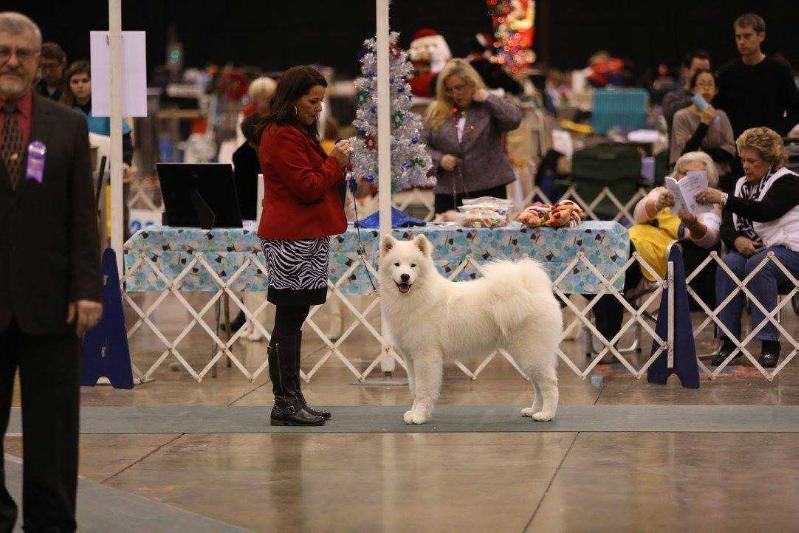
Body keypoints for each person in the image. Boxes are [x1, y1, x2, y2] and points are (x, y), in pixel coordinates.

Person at [0, 12, 102, 531]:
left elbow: (84, 215)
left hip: (54, 304)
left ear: (40, 62)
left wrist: (88, 286)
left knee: (54, 435)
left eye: (22, 52)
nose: (12, 61)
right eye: (3, 51)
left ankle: (52, 524)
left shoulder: (67, 126)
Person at [257, 66, 351, 426]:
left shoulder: (295, 131)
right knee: (289, 317)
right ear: (292, 98)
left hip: (304, 234)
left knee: (292, 318)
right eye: (313, 101)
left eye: (321, 101)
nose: (318, 108)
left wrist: (334, 163)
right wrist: (335, 162)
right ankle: (285, 402)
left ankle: (291, 399)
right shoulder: (282, 135)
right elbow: (308, 186)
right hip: (290, 236)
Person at [592, 152, 721, 355]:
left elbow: (709, 238)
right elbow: (639, 213)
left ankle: (603, 336)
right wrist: (657, 204)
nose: (686, 178)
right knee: (605, 265)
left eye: (694, 176)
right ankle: (607, 341)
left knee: (607, 270)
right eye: (683, 173)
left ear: (707, 179)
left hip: (656, 261)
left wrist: (693, 223)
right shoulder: (661, 193)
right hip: (628, 249)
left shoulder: (709, 205)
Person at [696, 127, 799, 369]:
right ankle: (729, 343)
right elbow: (726, 225)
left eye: (752, 161)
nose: (746, 166)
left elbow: (765, 211)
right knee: (728, 265)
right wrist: (737, 240)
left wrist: (722, 198)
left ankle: (769, 343)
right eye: (743, 160)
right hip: (761, 250)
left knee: (759, 265)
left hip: (792, 250)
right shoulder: (742, 184)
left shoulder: (789, 182)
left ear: (770, 160)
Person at [422, 58, 523, 214]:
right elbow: (421, 147)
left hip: (490, 192)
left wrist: (488, 97)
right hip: (449, 193)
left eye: (459, 88)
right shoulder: (435, 112)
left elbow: (514, 119)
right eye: (449, 90)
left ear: (472, 83)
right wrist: (439, 159)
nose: (454, 94)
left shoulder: (488, 107)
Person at [715, 13, 799, 138]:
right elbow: (718, 110)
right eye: (738, 37)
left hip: (770, 142)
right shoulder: (726, 72)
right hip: (737, 143)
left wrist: (777, 133)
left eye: (747, 36)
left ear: (761, 36)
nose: (742, 42)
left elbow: (795, 108)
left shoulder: (779, 69)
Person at [670, 69, 736, 190]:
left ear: (716, 90)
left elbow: (729, 152)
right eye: (701, 84)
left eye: (710, 84)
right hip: (688, 178)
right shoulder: (681, 116)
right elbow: (686, 153)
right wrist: (704, 123)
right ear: (693, 89)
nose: (706, 88)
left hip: (720, 178)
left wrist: (701, 149)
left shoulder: (721, 115)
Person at [60, 60, 134, 164]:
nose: (80, 85)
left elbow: (124, 140)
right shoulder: (64, 111)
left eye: (85, 81)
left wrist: (125, 163)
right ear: (69, 85)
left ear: (93, 82)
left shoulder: (106, 109)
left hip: (107, 166)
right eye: (75, 82)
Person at [661, 50, 711, 129]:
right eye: (698, 71)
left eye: (706, 71)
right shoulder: (672, 97)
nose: (703, 74)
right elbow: (670, 114)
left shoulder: (713, 98)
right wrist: (697, 99)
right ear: (686, 71)